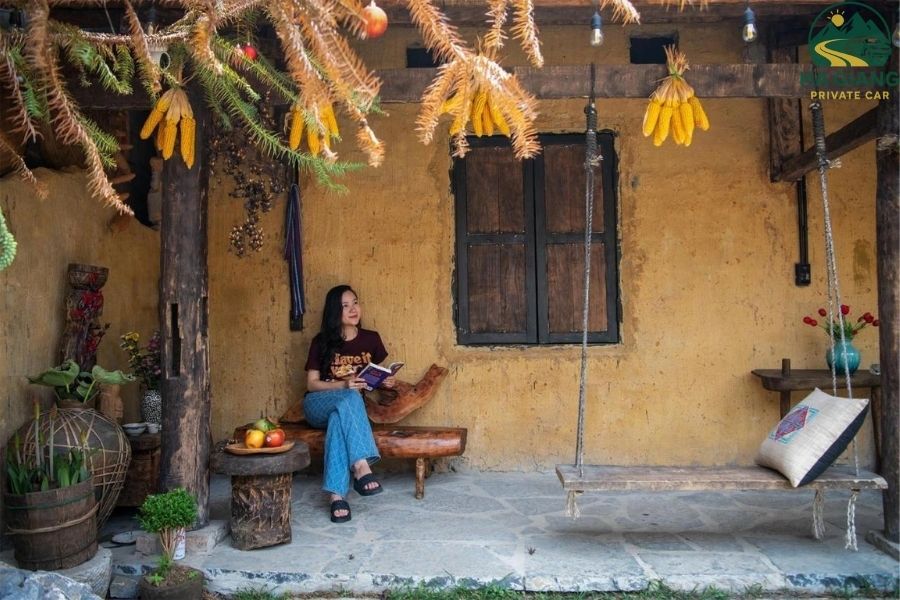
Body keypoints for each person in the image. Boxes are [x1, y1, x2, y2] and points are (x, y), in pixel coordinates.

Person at [303, 284, 396, 523]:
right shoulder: (321, 341)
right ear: (335, 312)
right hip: (318, 404)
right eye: (345, 306)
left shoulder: (371, 339)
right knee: (349, 398)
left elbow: (371, 379)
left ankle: (336, 497)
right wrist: (343, 386)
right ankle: (361, 466)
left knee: (339, 419)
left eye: (355, 302)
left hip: (345, 412)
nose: (353, 309)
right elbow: (312, 384)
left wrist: (385, 382)